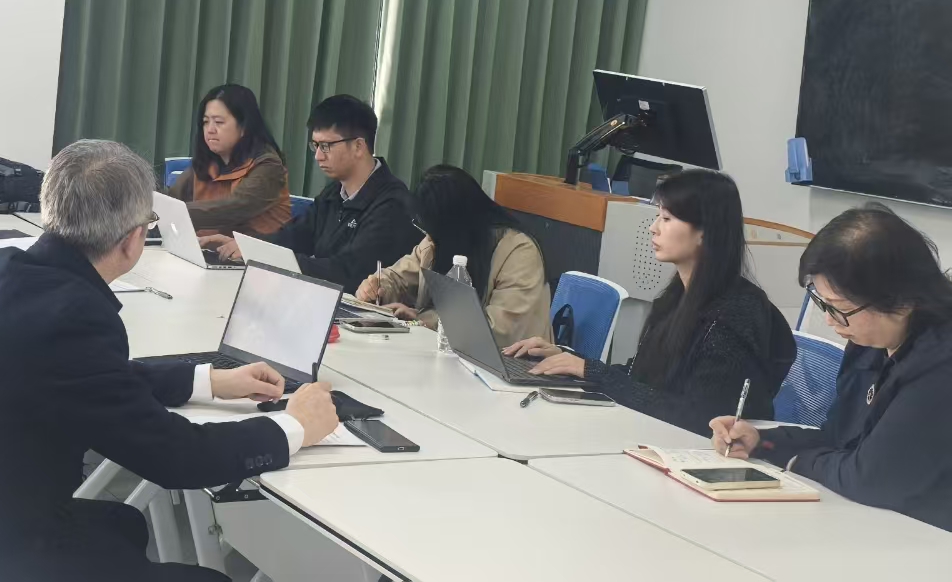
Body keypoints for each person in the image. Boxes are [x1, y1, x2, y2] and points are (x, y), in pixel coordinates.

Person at [0, 140, 339, 582]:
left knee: (123, 524)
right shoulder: (73, 315)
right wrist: (293, 427)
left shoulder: (11, 270)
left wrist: (210, 381)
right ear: (133, 240)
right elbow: (176, 457)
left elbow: (90, 379)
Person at [711, 205, 952, 531]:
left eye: (840, 308)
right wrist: (762, 442)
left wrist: (795, 461)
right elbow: (840, 438)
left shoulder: (940, 365)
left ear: (902, 301)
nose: (829, 320)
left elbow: (871, 479)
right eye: (822, 303)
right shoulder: (869, 342)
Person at [505, 169, 795, 436]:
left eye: (666, 219)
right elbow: (642, 380)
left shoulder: (736, 313)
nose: (653, 228)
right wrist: (569, 359)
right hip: (651, 436)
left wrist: (592, 372)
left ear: (705, 232)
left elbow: (700, 416)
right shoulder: (677, 296)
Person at [203, 95, 415, 290]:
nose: (318, 156)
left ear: (359, 146)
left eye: (326, 146)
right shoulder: (334, 192)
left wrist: (264, 256)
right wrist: (246, 245)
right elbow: (295, 235)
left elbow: (350, 272)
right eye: (315, 146)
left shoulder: (393, 204)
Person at [354, 165, 552, 348]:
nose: (429, 237)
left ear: (453, 226)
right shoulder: (436, 242)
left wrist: (424, 320)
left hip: (513, 364)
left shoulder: (518, 252)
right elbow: (399, 277)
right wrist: (379, 286)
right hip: (449, 355)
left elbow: (500, 330)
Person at [167, 84, 291, 237]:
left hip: (251, 250)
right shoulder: (206, 162)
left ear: (244, 127)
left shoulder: (268, 166)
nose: (210, 129)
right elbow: (170, 198)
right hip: (205, 248)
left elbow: (234, 208)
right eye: (206, 122)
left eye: (219, 122)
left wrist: (173, 212)